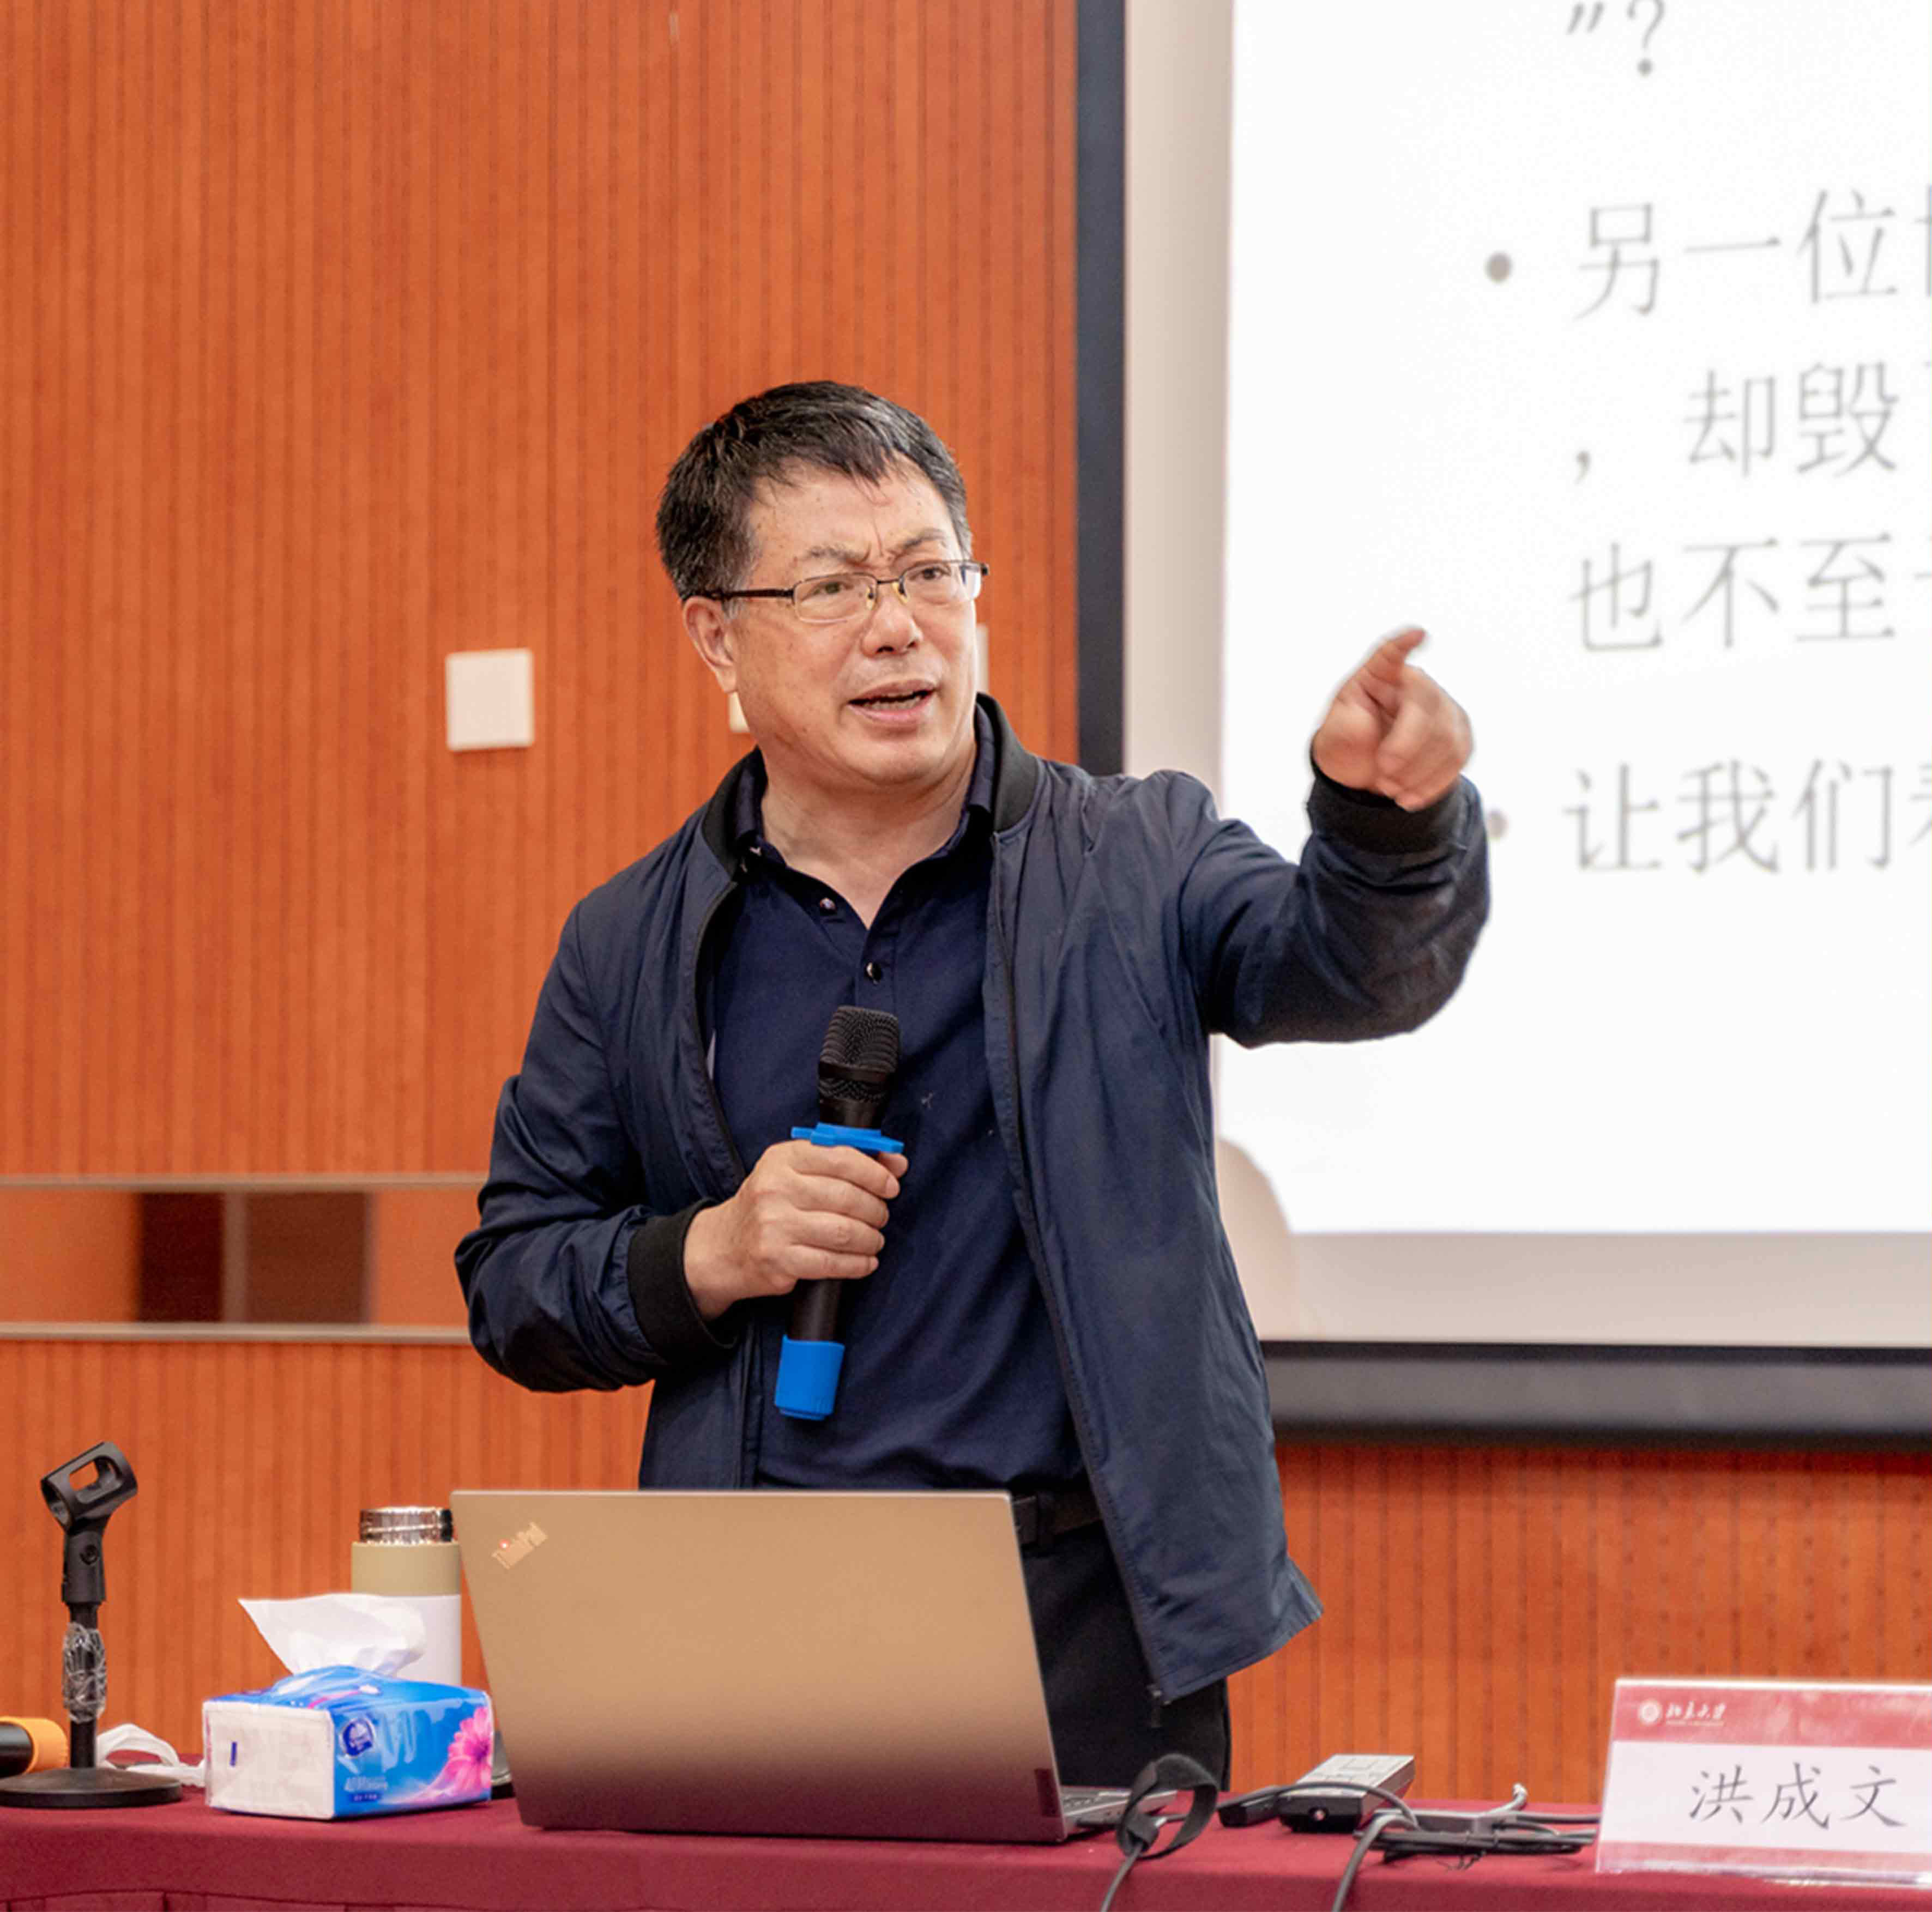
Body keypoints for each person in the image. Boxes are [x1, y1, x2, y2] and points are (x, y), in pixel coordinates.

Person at [457, 380, 1488, 1786]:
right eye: (832, 586)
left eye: (930, 572)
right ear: (717, 635)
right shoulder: (632, 938)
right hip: (746, 1617)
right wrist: (712, 1252)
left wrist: (1385, 826)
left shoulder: (1137, 857)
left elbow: (1351, 971)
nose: (898, 626)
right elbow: (516, 1280)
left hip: (1080, 1620)